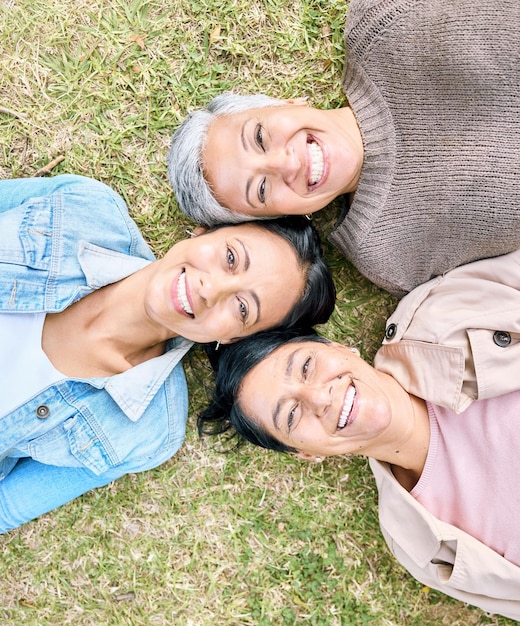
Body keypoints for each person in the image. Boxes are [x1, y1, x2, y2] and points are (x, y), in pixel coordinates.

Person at [0, 174, 335, 533]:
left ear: (236, 338)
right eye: (231, 257)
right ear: (205, 230)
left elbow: (8, 506)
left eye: (241, 308)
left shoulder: (146, 430)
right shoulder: (85, 209)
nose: (212, 289)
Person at [167, 0, 520, 296]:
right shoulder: (390, 257)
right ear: (287, 217)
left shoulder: (383, 19)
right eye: (261, 188)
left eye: (259, 137)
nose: (285, 164)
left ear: (284, 103)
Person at [198, 321, 520, 620]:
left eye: (306, 366)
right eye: (292, 415)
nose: (318, 397)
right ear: (307, 454)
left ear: (339, 347)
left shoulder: (447, 318)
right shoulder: (419, 547)